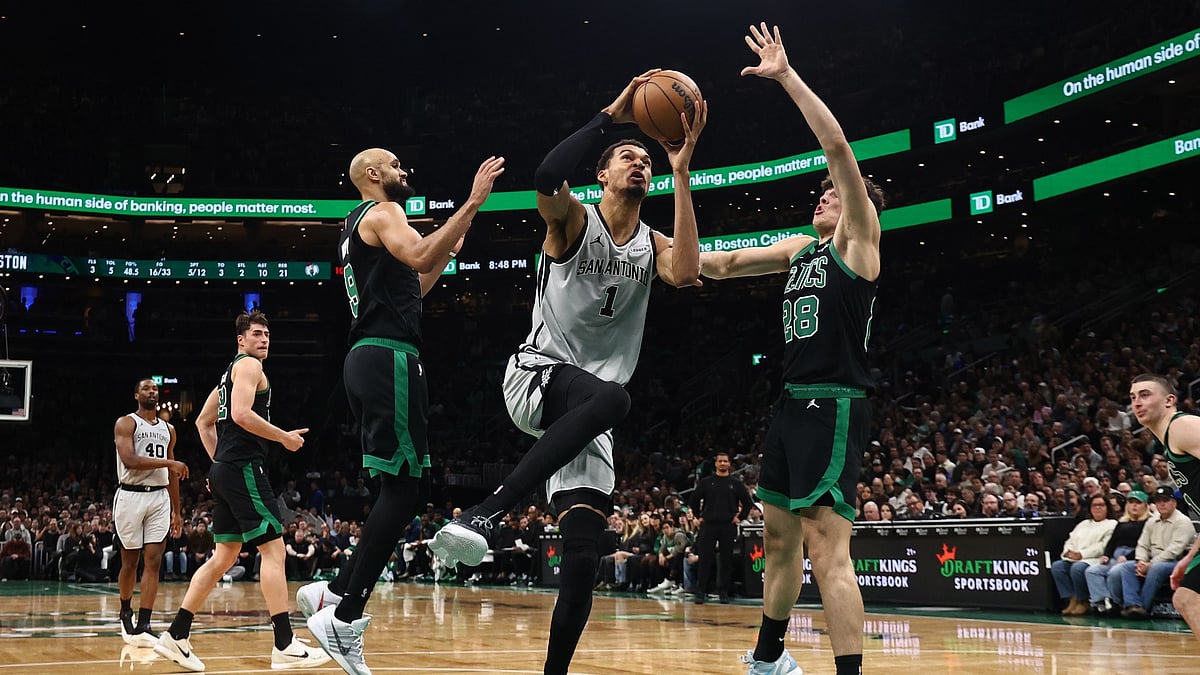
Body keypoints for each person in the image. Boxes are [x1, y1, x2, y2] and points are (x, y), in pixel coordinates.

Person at [428, 70, 706, 675]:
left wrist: (681, 171)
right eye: (628, 157)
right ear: (601, 175)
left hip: (587, 415)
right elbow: (545, 176)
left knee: (582, 559)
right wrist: (610, 116)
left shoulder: (653, 243)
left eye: (646, 160)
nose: (640, 163)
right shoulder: (574, 223)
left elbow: (687, 273)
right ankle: (487, 512)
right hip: (539, 375)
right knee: (617, 400)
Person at [698, 24, 885, 675]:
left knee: (828, 550)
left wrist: (785, 76)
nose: (824, 195)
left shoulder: (858, 244)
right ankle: (768, 659)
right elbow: (721, 265)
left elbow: (836, 147)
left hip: (833, 402)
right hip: (790, 404)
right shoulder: (800, 250)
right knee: (779, 542)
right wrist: (649, 240)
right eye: (822, 194)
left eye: (835, 194)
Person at [298, 148, 506, 675]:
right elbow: (418, 255)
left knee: (407, 489)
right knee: (406, 490)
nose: (404, 170)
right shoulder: (385, 210)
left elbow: (414, 285)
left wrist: (448, 248)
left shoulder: (353, 226)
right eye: (394, 164)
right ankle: (344, 615)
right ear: (372, 175)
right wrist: (471, 203)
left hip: (370, 356)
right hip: (389, 356)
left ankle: (334, 592)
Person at [154, 312, 329, 671]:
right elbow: (241, 415)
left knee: (224, 556)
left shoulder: (226, 376)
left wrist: (219, 464)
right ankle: (284, 643)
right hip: (245, 467)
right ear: (241, 340)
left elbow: (204, 423)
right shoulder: (249, 366)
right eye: (257, 334)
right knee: (274, 551)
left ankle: (176, 634)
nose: (264, 340)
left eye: (267, 334)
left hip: (227, 469)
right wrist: (283, 438)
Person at [112, 377, 188, 646]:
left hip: (159, 497)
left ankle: (144, 623)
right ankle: (125, 609)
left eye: (155, 389)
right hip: (130, 495)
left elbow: (173, 475)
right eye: (146, 388)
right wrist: (169, 462)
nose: (152, 392)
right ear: (136, 395)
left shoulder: (169, 429)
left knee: (154, 561)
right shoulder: (126, 423)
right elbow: (129, 460)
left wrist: (177, 511)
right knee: (130, 562)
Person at [1128, 373, 1200, 637]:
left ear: (1169, 400)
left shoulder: (1182, 426)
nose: (1137, 402)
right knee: (1187, 598)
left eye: (1145, 394)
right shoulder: (1171, 442)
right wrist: (1189, 558)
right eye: (1133, 397)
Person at [1113, 485, 1195, 618]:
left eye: (1165, 501)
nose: (1161, 504)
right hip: (1151, 560)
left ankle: (1144, 607)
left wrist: (1150, 564)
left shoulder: (1182, 522)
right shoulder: (1152, 521)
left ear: (1173, 503)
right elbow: (1142, 544)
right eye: (1158, 501)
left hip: (1177, 562)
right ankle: (1132, 605)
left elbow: (1174, 550)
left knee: (1156, 569)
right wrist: (1141, 561)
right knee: (1126, 567)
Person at [689, 452, 754, 603]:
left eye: (725, 461)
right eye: (720, 461)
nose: (723, 463)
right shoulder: (707, 482)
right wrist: (698, 516)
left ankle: (723, 592)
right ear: (716, 464)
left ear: (729, 464)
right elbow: (694, 500)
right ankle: (701, 591)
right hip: (708, 525)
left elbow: (747, 502)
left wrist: (740, 518)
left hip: (727, 525)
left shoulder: (735, 483)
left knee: (726, 560)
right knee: (705, 559)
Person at [1086, 489, 1150, 614]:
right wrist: (1106, 555)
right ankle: (1102, 601)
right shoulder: (1121, 522)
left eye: (1138, 503)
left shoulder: (1148, 522)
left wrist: (1128, 557)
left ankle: (1116, 602)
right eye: (1131, 502)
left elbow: (1144, 545)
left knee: (1115, 572)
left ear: (1145, 505)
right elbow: (1112, 541)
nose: (1134, 506)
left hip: (1134, 555)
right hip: (1116, 555)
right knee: (1092, 571)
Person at [1052, 494, 1117, 615]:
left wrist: (1082, 554)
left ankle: (1082, 600)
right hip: (1075, 557)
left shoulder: (1112, 524)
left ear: (1107, 508)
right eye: (1094, 505)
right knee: (1057, 566)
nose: (1098, 508)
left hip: (1095, 559)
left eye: (1101, 505)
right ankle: (1072, 598)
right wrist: (1068, 552)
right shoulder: (1083, 524)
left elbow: (1103, 546)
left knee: (1077, 568)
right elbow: (1070, 540)